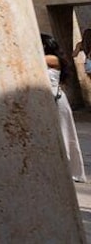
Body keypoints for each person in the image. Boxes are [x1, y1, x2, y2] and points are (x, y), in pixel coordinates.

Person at [42, 33, 87, 182]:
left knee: (65, 134)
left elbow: (33, 59)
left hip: (56, 100)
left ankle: (68, 169)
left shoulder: (52, 59)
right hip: (47, 101)